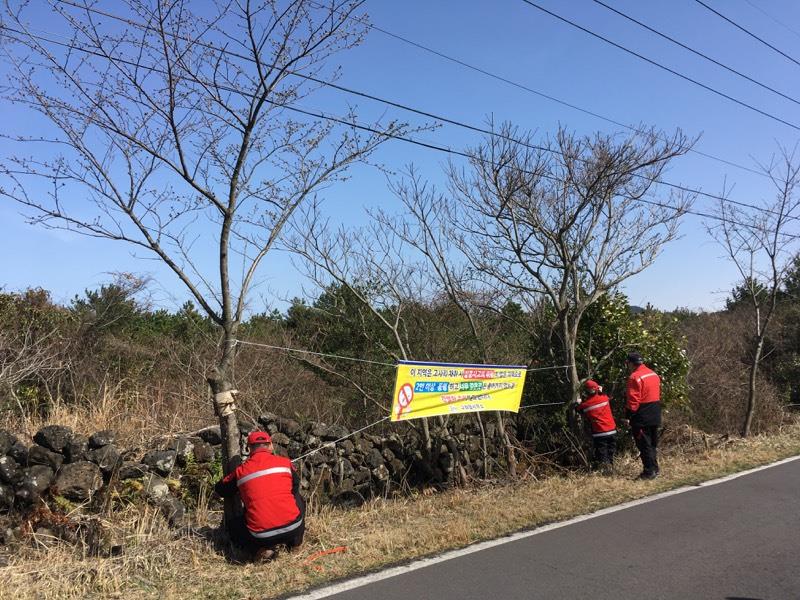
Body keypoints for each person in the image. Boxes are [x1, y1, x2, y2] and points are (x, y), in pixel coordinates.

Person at [214, 431, 305, 560]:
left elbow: (221, 489)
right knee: (297, 497)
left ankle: (260, 549)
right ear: (270, 445)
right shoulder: (285, 463)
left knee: (233, 525)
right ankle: (295, 543)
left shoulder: (241, 471)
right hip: (294, 527)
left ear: (249, 449)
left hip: (261, 535)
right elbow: (295, 486)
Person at [624, 352, 662, 480]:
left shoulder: (634, 377)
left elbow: (633, 400)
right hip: (655, 412)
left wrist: (628, 416)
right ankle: (655, 468)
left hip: (642, 415)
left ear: (630, 363)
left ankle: (648, 471)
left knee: (644, 444)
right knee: (652, 444)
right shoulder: (653, 373)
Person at [575, 379, 617, 473]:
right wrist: (600, 391)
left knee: (602, 452)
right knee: (610, 449)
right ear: (597, 389)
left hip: (599, 432)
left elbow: (578, 409)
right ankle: (611, 467)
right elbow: (605, 395)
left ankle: (606, 470)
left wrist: (578, 403)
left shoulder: (586, 405)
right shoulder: (605, 398)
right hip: (612, 430)